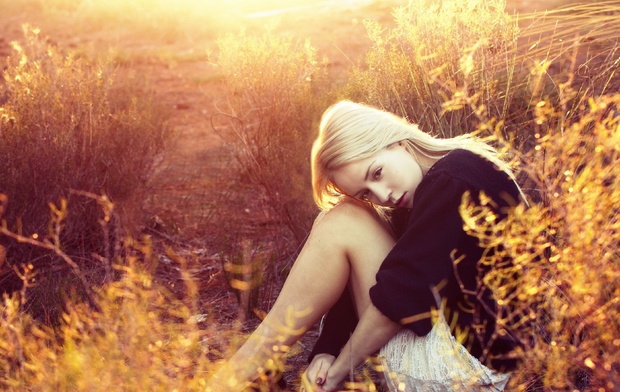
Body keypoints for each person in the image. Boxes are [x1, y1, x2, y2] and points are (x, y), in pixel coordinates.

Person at [208, 100, 526, 391]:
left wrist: (339, 370)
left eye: (376, 173)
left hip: (467, 370)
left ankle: (230, 379)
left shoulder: (454, 177)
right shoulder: (424, 195)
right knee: (343, 217)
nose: (382, 194)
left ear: (397, 141)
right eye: (366, 192)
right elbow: (382, 282)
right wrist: (326, 350)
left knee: (343, 220)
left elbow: (401, 295)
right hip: (469, 362)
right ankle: (241, 375)